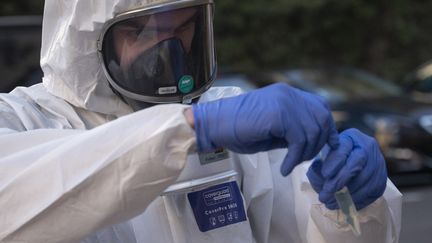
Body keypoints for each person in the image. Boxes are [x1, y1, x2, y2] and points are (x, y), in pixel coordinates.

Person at [0, 0, 401, 242]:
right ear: (86, 43)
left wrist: (354, 207)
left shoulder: (237, 123)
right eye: (143, 31)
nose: (170, 50)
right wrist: (189, 130)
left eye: (185, 26)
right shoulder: (25, 120)